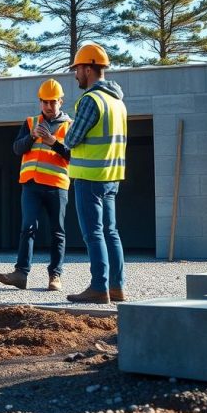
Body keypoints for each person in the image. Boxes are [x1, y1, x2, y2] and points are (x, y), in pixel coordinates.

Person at [62, 43, 128, 305]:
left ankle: (99, 287)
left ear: (88, 68)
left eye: (77, 69)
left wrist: (68, 128)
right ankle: (117, 287)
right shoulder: (117, 102)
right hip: (112, 176)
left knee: (94, 234)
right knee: (111, 232)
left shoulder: (91, 100)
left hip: (90, 178)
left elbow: (71, 139)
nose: (76, 74)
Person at [0, 79, 72, 291]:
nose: (48, 106)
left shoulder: (69, 125)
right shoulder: (30, 123)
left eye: (53, 102)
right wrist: (32, 136)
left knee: (57, 231)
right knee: (27, 227)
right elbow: (17, 149)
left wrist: (53, 142)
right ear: (40, 102)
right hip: (31, 184)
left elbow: (73, 155)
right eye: (45, 102)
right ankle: (21, 274)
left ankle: (55, 276)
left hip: (57, 185)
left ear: (60, 102)